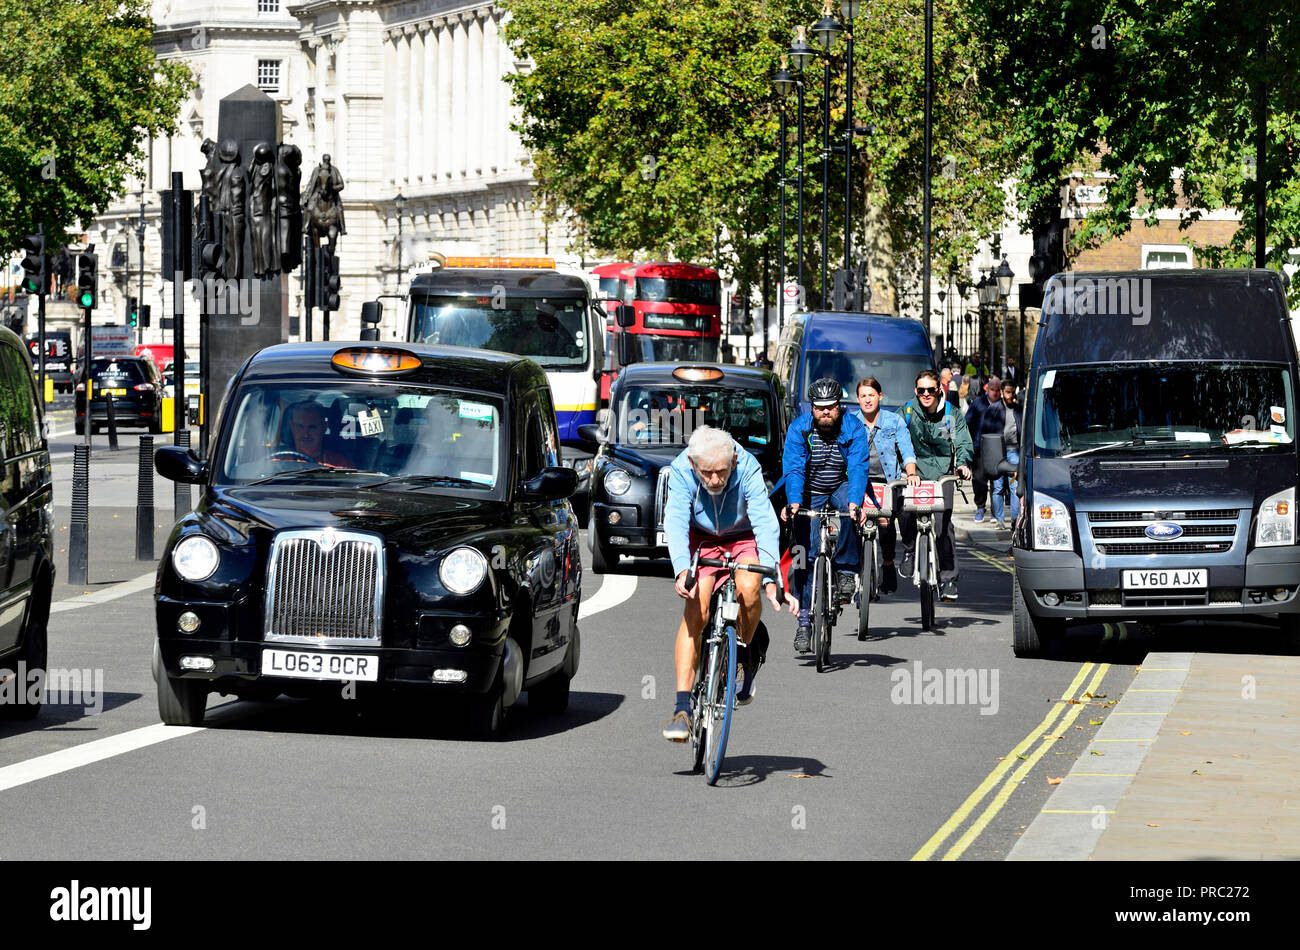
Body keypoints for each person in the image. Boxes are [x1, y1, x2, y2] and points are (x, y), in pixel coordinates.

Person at [661, 426, 796, 741]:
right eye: (706, 473)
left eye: (721, 472)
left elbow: (764, 519)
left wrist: (771, 575)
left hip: (742, 535)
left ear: (732, 461)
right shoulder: (682, 468)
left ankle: (744, 652)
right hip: (700, 538)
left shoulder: (746, 464)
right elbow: (676, 518)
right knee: (697, 607)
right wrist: (683, 569)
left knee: (750, 590)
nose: (714, 480)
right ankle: (682, 709)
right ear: (694, 465)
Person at [781, 376, 870, 653]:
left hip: (841, 483)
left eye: (831, 407)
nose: (825, 412)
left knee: (849, 514)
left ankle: (845, 570)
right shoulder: (799, 429)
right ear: (812, 408)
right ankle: (804, 623)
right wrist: (794, 502)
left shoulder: (853, 427)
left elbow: (857, 467)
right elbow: (794, 469)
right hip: (809, 487)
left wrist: (856, 502)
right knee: (801, 556)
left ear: (839, 406)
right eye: (820, 408)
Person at [899, 370, 973, 601]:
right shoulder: (907, 412)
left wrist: (962, 465)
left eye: (931, 390)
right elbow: (891, 436)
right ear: (916, 391)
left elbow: (963, 442)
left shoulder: (951, 414)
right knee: (903, 510)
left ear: (938, 390)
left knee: (943, 525)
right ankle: (911, 550)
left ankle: (948, 579)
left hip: (943, 475)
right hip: (914, 473)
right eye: (921, 390)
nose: (926, 394)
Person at [849, 377, 920, 595]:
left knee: (886, 521)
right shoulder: (850, 421)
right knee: (850, 521)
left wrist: (911, 473)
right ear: (858, 399)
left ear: (880, 396)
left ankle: (887, 564)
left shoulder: (893, 421)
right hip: (859, 481)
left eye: (871, 395)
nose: (867, 400)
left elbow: (906, 450)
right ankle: (851, 571)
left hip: (888, 481)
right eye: (863, 396)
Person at [965, 376, 1004, 522]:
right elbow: (968, 422)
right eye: (992, 389)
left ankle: (996, 512)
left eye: (997, 390)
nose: (995, 393)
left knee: (997, 481)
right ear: (987, 389)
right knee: (979, 479)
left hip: (998, 448)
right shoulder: (978, 403)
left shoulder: (1003, 404)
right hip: (979, 447)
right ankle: (980, 506)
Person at [283, 400, 355, 467]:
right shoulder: (277, 462)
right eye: (300, 427)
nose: (306, 434)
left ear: (324, 428)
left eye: (312, 427)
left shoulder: (342, 465)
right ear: (291, 427)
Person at [995, 379, 1023, 529]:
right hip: (997, 451)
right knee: (998, 487)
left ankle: (1014, 519)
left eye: (1012, 392)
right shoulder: (994, 409)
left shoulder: (1018, 409)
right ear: (1001, 392)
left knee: (1014, 486)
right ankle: (999, 520)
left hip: (1014, 450)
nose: (1010, 395)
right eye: (1007, 392)